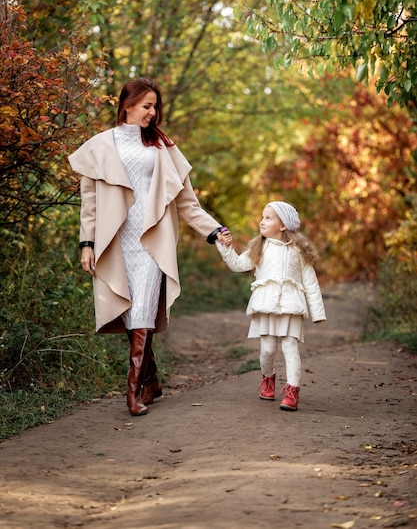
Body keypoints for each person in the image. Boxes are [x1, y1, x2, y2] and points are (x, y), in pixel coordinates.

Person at [69, 77, 227, 417]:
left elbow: (187, 202)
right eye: (147, 106)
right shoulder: (99, 146)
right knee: (130, 311)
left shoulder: (163, 148)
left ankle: (132, 391)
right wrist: (87, 243)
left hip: (153, 239)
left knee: (141, 310)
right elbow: (90, 203)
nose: (153, 113)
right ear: (128, 105)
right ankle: (151, 381)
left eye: (155, 107)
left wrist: (213, 230)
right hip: (116, 241)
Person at [216, 201, 326, 411]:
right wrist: (225, 248)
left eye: (268, 218)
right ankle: (268, 379)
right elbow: (238, 265)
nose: (262, 221)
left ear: (283, 225)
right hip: (265, 304)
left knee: (290, 347)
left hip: (291, 305)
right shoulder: (260, 247)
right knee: (267, 350)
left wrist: (317, 312)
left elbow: (310, 281)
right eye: (262, 217)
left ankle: (292, 391)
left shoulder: (299, 250)